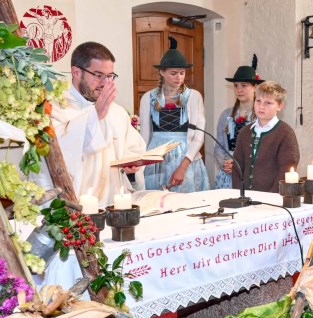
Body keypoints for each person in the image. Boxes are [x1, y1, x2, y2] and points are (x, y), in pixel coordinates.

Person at [48, 41, 146, 206]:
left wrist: (131, 168)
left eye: (110, 76)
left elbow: (134, 149)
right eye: (98, 75)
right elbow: (58, 154)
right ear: (76, 72)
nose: (105, 83)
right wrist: (96, 116)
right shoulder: (55, 109)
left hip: (114, 205)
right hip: (76, 208)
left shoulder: (117, 112)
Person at [139, 38, 209, 192]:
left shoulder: (194, 97)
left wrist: (183, 167)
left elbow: (198, 137)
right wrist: (141, 163)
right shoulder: (148, 98)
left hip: (185, 159)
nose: (179, 78)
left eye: (182, 73)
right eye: (173, 73)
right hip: (157, 160)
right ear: (162, 72)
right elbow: (144, 137)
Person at [232, 81, 300, 193]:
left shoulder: (286, 133)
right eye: (258, 101)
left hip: (271, 197)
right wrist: (238, 193)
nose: (261, 106)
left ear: (279, 106)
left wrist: (269, 198)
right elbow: (237, 167)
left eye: (268, 103)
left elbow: (286, 171)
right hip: (245, 197)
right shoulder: (245, 132)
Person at [215, 56, 262, 189]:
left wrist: (241, 166)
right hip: (227, 175)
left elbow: (263, 149)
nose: (239, 90)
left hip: (251, 175)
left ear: (255, 87)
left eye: (244, 85)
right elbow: (218, 146)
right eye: (236, 85)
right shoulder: (226, 115)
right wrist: (225, 163)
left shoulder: (261, 117)